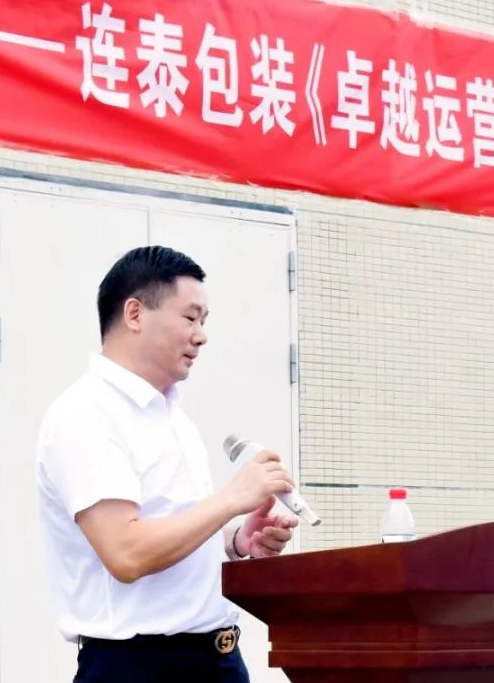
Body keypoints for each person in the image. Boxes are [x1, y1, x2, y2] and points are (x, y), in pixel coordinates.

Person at [36, 245, 300, 682]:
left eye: (205, 321)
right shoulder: (85, 414)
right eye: (190, 318)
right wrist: (232, 499)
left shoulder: (172, 416)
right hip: (142, 667)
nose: (201, 336)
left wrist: (236, 542)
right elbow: (127, 553)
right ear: (135, 314)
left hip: (218, 658)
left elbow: (172, 528)